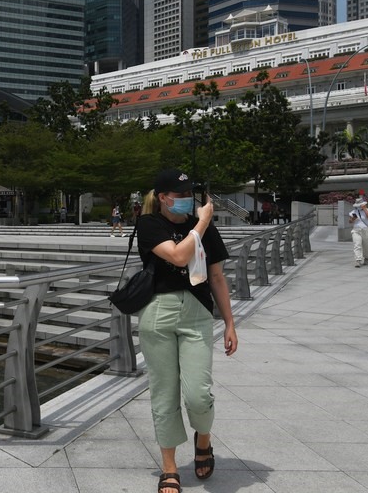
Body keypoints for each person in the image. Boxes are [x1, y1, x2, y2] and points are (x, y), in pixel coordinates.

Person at [136, 168, 238, 493]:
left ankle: (203, 439)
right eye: (179, 195)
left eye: (189, 195)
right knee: (163, 395)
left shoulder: (204, 227)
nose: (186, 200)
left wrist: (230, 323)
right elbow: (179, 257)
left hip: (196, 314)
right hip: (158, 313)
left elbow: (218, 277)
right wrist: (202, 222)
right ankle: (169, 467)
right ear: (163, 197)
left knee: (198, 394)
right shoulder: (150, 224)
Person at [348, 197, 368, 267]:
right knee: (357, 244)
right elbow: (350, 221)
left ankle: (366, 258)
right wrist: (353, 219)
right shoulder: (354, 212)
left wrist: (364, 208)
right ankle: (358, 260)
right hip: (356, 230)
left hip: (366, 230)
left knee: (366, 246)